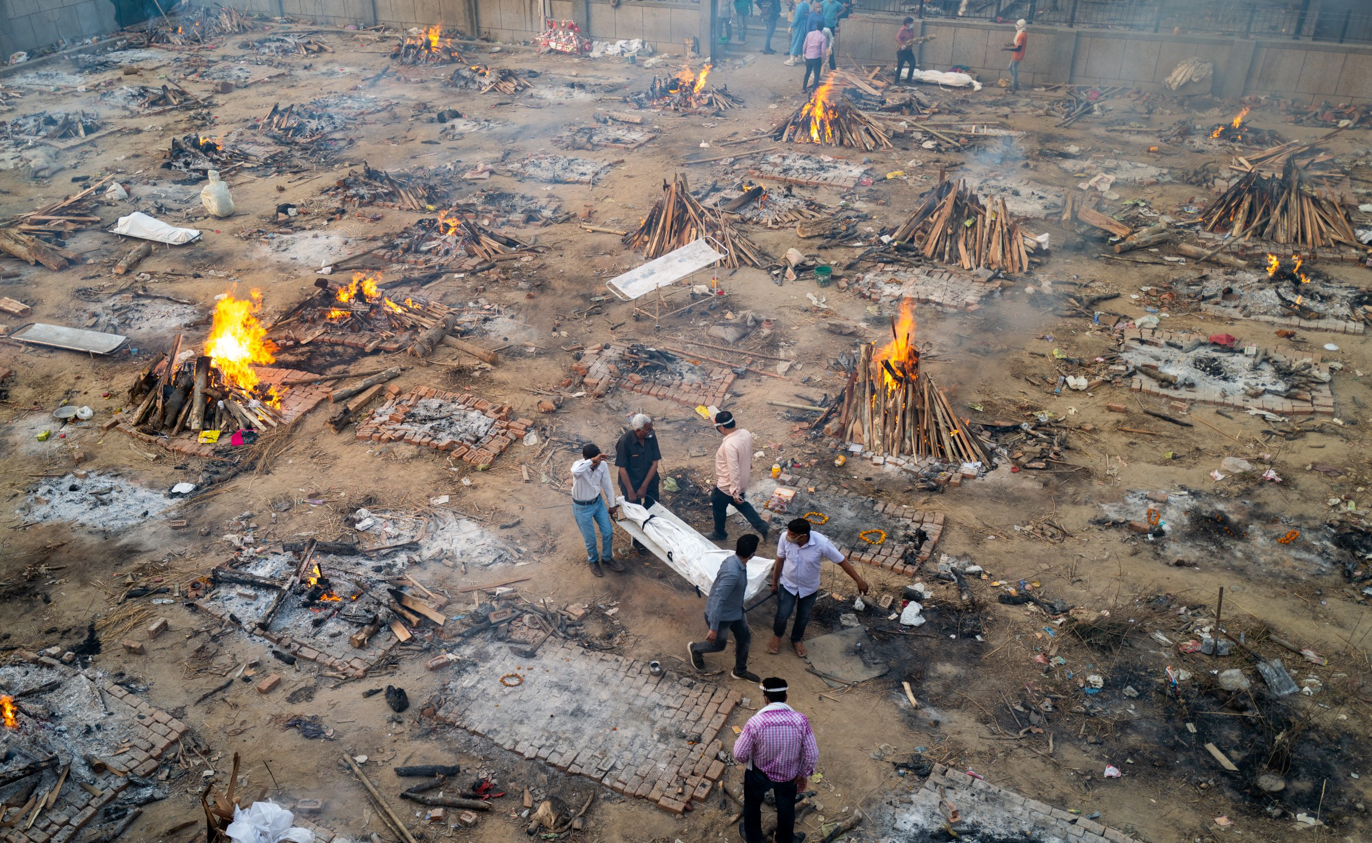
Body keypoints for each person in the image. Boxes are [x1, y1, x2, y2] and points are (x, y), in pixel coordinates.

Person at [733, 677, 818, 843]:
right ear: (785, 697)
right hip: (789, 776)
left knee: (752, 805)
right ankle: (785, 839)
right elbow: (812, 754)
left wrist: (750, 758)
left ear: (765, 699)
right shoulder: (801, 720)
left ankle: (753, 837)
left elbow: (739, 754)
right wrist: (802, 773)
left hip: (759, 774)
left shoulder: (755, 723)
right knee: (786, 808)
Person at [769, 517, 868, 656]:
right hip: (788, 584)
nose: (788, 535)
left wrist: (859, 581)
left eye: (792, 534)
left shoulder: (821, 543)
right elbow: (780, 560)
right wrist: (774, 582)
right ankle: (777, 636)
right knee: (782, 614)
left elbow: (842, 562)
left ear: (802, 536)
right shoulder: (785, 538)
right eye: (788, 532)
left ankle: (796, 640)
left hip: (808, 588)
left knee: (803, 617)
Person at [688, 534, 761, 681]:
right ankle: (695, 649)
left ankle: (740, 670)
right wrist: (714, 628)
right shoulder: (733, 573)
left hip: (737, 612)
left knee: (744, 638)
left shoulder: (731, 560)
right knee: (718, 645)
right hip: (721, 617)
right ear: (752, 555)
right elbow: (718, 599)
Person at [707, 411, 770, 541]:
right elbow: (748, 450)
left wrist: (734, 492)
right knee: (742, 505)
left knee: (717, 503)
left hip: (728, 485)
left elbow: (733, 469)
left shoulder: (729, 445)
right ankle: (764, 528)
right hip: (742, 480)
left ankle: (719, 533)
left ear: (722, 427)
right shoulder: (745, 433)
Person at [570, 443, 624, 577]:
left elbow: (607, 485)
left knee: (608, 532)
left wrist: (612, 505)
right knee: (590, 539)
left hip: (598, 503)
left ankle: (607, 558)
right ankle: (593, 561)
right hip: (582, 507)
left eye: (598, 460)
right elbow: (575, 472)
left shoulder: (603, 465)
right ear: (587, 459)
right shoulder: (579, 466)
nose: (597, 463)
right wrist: (592, 461)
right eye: (595, 461)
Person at [615, 413, 662, 554]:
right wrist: (630, 491)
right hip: (631, 483)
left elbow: (655, 463)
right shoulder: (624, 442)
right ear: (638, 430)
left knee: (652, 507)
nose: (651, 431)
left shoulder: (651, 436)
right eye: (648, 429)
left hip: (649, 480)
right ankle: (638, 542)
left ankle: (653, 533)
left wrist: (644, 486)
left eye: (651, 427)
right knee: (635, 512)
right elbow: (622, 469)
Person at [801, 23, 827, 93]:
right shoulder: (822, 37)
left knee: (807, 73)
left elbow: (804, 45)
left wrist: (804, 53)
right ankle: (814, 91)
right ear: (822, 28)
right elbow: (823, 50)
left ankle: (804, 88)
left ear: (816, 27)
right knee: (816, 75)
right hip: (816, 58)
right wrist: (824, 58)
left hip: (808, 57)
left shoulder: (809, 34)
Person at [1003, 18, 1027, 92]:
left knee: (1014, 70)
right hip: (1016, 55)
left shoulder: (1021, 35)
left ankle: (1014, 85)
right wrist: (1010, 45)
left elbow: (1018, 48)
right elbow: (1017, 44)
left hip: (1018, 55)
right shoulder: (1022, 33)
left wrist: (1007, 49)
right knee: (1010, 68)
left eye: (1018, 25)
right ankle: (1015, 83)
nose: (1016, 26)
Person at [785, 0, 810, 66]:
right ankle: (800, 57)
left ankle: (792, 59)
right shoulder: (806, 5)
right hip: (805, 25)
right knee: (802, 42)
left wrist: (791, 26)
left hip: (799, 26)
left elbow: (796, 18)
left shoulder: (799, 6)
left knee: (795, 41)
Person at [819, 0, 843, 70]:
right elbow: (817, 6)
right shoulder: (823, 2)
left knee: (830, 46)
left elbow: (844, 9)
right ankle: (821, 64)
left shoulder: (837, 4)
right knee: (821, 44)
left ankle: (832, 66)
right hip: (823, 25)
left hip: (831, 26)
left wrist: (837, 15)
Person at [895, 17, 917, 84]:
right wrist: (902, 45)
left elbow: (912, 38)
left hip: (909, 51)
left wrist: (915, 41)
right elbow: (897, 37)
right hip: (902, 52)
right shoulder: (902, 30)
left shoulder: (911, 30)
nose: (912, 24)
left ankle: (909, 79)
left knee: (913, 64)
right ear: (907, 24)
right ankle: (896, 81)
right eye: (911, 23)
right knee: (900, 66)